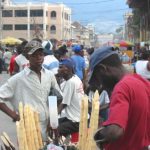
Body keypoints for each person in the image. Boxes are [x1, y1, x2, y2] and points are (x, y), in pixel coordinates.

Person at [88, 47, 150, 150]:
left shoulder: (121, 88)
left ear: (103, 69)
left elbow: (114, 131)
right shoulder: (142, 82)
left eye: (98, 78)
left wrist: (99, 134)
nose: (101, 85)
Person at [0, 40, 62, 141]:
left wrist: (53, 119)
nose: (39, 58)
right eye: (34, 55)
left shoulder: (49, 75)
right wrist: (14, 116)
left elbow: (59, 98)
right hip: (29, 129)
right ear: (27, 57)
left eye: (41, 54)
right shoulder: (19, 78)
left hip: (48, 127)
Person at [57, 58, 84, 136]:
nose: (58, 70)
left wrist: (52, 118)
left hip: (76, 121)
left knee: (55, 128)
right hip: (79, 117)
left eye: (60, 67)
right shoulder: (76, 78)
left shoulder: (71, 82)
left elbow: (63, 104)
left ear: (67, 69)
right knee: (59, 122)